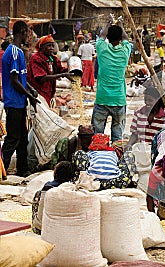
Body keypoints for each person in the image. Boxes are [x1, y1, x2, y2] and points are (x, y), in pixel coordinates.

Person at [2, 21, 40, 177]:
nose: (29, 38)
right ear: (23, 32)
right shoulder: (14, 52)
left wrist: (31, 89)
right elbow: (14, 80)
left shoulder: (18, 51)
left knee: (23, 139)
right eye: (28, 34)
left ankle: (22, 169)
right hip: (14, 102)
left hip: (19, 102)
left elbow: (22, 78)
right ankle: (2, 169)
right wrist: (29, 95)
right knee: (13, 138)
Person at [91, 15, 131, 142]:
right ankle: (116, 159)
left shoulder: (102, 49)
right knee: (117, 138)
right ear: (120, 39)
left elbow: (101, 36)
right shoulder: (125, 51)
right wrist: (120, 25)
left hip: (102, 98)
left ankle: (98, 158)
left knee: (97, 136)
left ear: (108, 37)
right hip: (119, 100)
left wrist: (108, 23)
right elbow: (126, 39)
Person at [27, 35, 73, 106]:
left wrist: (71, 70)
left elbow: (60, 69)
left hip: (48, 92)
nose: (51, 48)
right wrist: (62, 75)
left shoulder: (51, 58)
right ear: (42, 47)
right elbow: (41, 78)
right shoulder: (36, 58)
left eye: (53, 46)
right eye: (49, 46)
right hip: (38, 92)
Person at [32, 161, 75, 234]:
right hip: (64, 228)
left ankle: (37, 223)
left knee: (38, 195)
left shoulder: (48, 187)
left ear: (55, 173)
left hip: (42, 228)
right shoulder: (72, 189)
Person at [125, 85, 165, 149]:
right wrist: (129, 144)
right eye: (145, 100)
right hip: (141, 149)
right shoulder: (138, 114)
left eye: (150, 100)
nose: (147, 103)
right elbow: (135, 134)